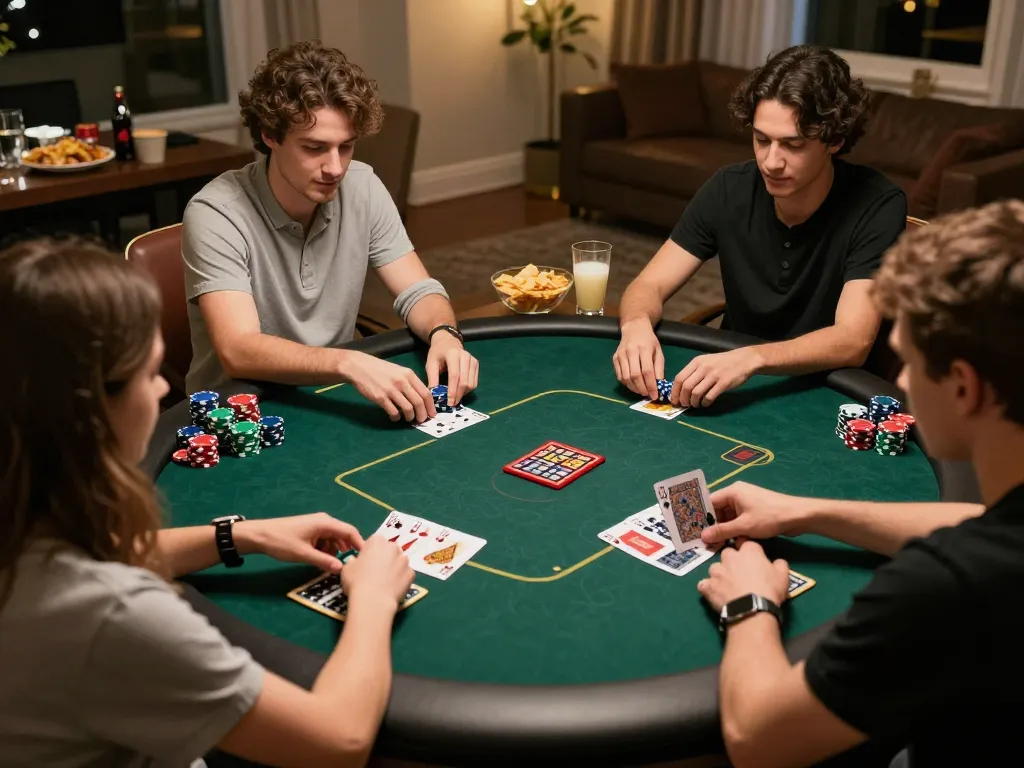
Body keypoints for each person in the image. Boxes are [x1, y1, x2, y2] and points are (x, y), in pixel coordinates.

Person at [0, 236, 416, 767]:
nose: (159, 394)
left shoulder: (22, 512)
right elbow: (338, 742)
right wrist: (374, 599)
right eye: (150, 375)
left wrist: (237, 535)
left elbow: (94, 555)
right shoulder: (115, 616)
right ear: (91, 411)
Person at [693, 199, 1024, 767]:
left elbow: (760, 738)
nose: (901, 383)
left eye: (908, 364)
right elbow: (980, 525)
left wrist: (750, 602)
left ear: (964, 388)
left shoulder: (942, 586)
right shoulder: (997, 540)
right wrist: (802, 512)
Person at [182, 40, 478, 423]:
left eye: (346, 147)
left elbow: (418, 290)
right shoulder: (215, 213)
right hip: (244, 411)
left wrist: (443, 333)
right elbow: (239, 349)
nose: (335, 168)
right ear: (270, 135)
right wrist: (349, 362)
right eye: (315, 147)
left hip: (332, 397)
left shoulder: (363, 185)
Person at [614, 45, 906, 408]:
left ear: (835, 140)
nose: (771, 162)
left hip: (829, 388)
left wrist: (753, 357)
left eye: (792, 145)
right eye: (761, 139)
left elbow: (853, 340)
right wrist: (636, 325)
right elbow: (649, 284)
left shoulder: (877, 205)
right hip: (732, 387)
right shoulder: (728, 188)